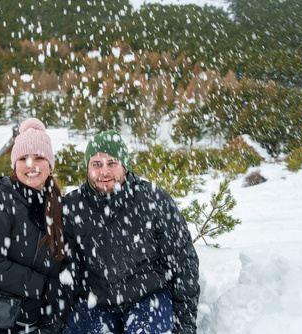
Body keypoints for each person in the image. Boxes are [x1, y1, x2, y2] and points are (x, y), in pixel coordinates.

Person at [62, 130, 200, 334]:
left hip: (148, 298)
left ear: (125, 167)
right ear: (88, 168)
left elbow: (182, 262)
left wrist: (186, 324)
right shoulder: (72, 206)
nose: (104, 171)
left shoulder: (153, 199)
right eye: (97, 164)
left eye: (112, 163)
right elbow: (66, 268)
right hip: (96, 303)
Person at [0, 118, 76, 334]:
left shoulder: (58, 209)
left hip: (32, 316)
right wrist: (44, 287)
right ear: (14, 165)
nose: (31, 165)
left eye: (39, 157)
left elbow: (63, 270)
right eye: (23, 158)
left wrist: (54, 319)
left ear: (50, 165)